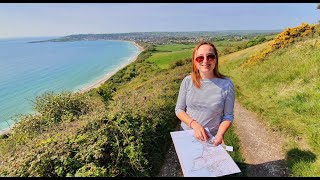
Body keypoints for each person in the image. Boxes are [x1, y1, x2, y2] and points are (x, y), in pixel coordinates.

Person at [175, 41, 235, 146]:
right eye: (200, 58)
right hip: (187, 134)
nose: (205, 61)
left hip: (211, 138)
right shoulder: (187, 81)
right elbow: (179, 110)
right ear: (194, 61)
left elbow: (228, 116)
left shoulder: (227, 84)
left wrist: (220, 134)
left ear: (216, 59)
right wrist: (195, 125)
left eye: (210, 57)